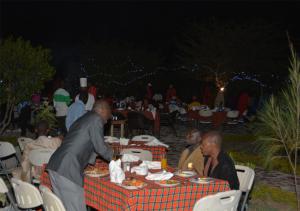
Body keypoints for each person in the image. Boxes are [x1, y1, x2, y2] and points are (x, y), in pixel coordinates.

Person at [47, 100, 114, 211]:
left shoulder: (84, 118)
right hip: (68, 169)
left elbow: (84, 142)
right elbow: (100, 147)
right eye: (108, 114)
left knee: (62, 208)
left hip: (56, 165)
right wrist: (117, 159)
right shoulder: (96, 119)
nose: (107, 120)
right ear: (102, 110)